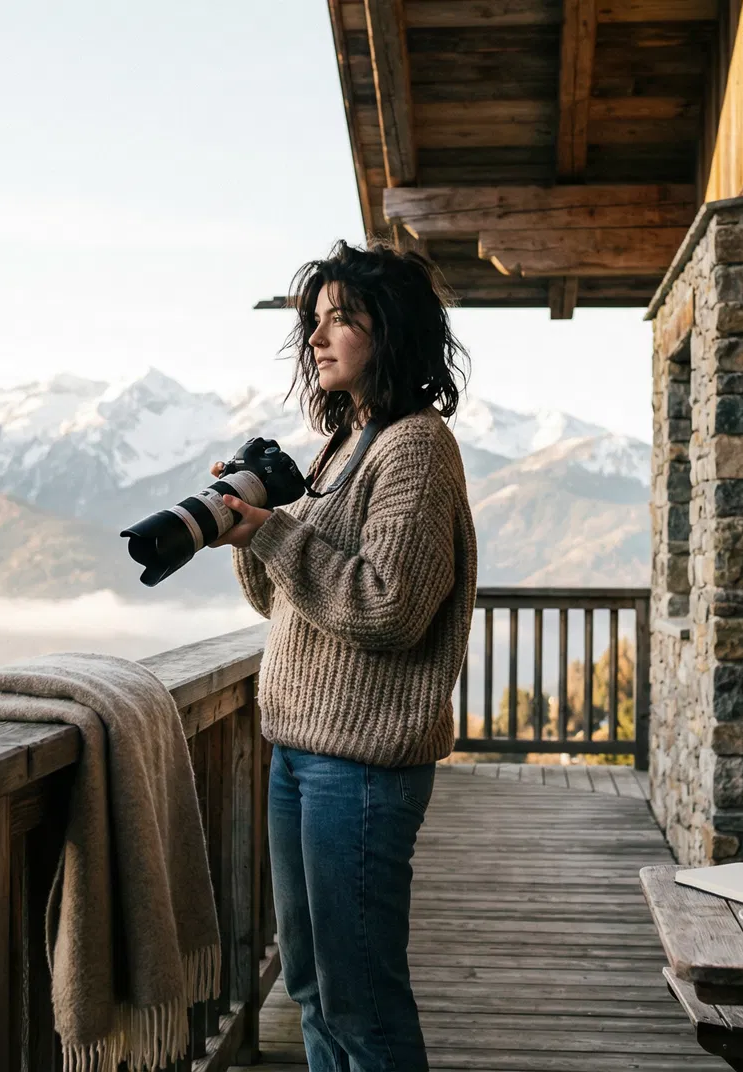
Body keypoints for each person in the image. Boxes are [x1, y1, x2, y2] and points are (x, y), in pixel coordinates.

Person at [209, 240, 476, 1072]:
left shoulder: (414, 447)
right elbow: (286, 601)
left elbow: (389, 606)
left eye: (341, 320)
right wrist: (246, 529)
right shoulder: (343, 444)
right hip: (298, 753)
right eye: (314, 322)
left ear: (387, 330)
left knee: (360, 1001)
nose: (317, 338)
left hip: (360, 767)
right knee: (312, 988)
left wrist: (275, 534)